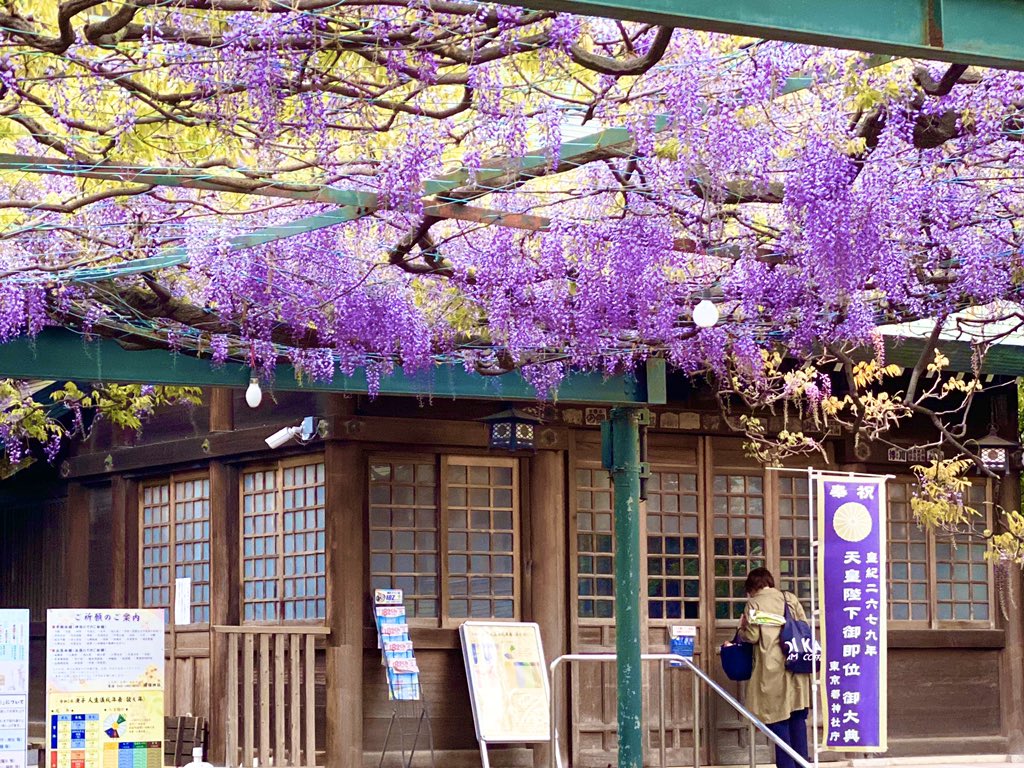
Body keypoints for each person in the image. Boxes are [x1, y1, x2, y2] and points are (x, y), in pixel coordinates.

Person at [737, 567, 810, 768]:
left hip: (773, 669)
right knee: (797, 718)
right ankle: (803, 764)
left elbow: (751, 636)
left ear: (752, 587)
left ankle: (786, 766)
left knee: (778, 720)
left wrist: (740, 630)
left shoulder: (754, 603)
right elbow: (804, 627)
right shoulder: (790, 598)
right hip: (797, 664)